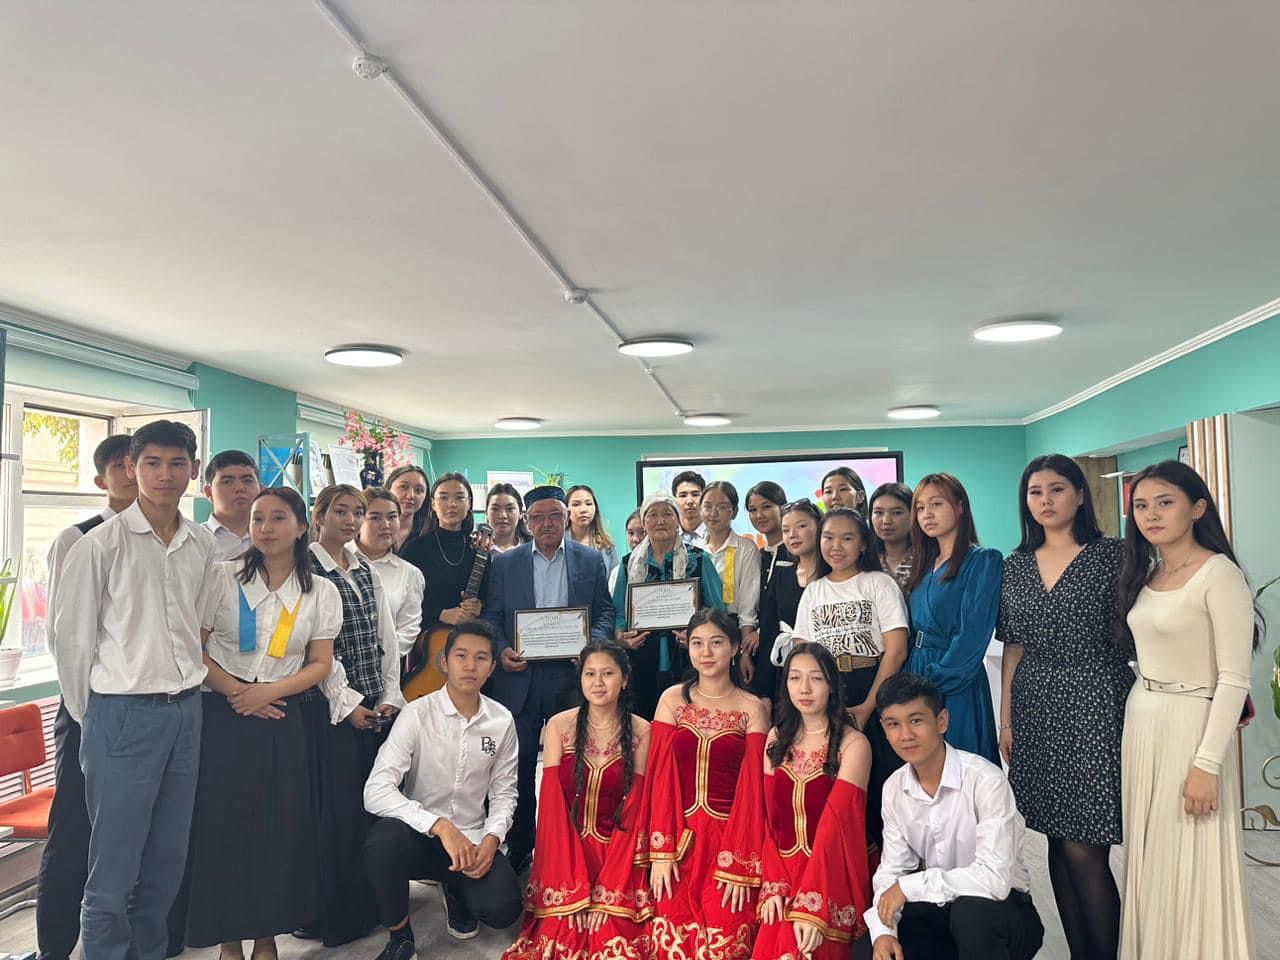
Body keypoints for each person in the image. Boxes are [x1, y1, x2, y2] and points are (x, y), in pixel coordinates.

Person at [52, 420, 218, 960]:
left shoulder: (201, 543)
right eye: (152, 463)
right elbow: (71, 642)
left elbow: (200, 626)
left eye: (177, 464)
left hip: (186, 711)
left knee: (167, 861)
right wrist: (96, 718)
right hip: (120, 714)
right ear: (131, 468)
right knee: (113, 869)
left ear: (194, 471)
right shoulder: (97, 546)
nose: (165, 475)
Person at [184, 487, 338, 957]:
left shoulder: (319, 591)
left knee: (276, 830)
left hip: (281, 715)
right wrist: (238, 693)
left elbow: (321, 663)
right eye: (257, 519)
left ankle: (267, 938)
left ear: (301, 527)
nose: (265, 528)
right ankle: (229, 941)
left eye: (277, 518)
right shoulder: (222, 576)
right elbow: (194, 649)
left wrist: (268, 693)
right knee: (223, 829)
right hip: (222, 716)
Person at [1117, 461, 1259, 959]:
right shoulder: (1148, 572)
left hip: (1190, 724)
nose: (1151, 515)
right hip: (1144, 718)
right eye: (1141, 505)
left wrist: (1207, 764)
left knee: (1191, 856)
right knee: (1152, 857)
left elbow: (1234, 679)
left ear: (1197, 509)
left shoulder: (1220, 575)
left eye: (1165, 502)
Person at [998, 454, 1130, 959]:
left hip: (1096, 700)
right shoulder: (1015, 564)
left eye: (1056, 489)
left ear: (1079, 494)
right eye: (1035, 492)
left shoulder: (1113, 555)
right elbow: (1014, 646)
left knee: (1086, 846)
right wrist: (1007, 718)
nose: (1045, 500)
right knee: (1055, 838)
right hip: (1035, 704)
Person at [363, 620, 522, 957]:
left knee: (503, 909)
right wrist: (439, 825)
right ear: (444, 662)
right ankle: (400, 937)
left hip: (471, 838)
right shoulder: (416, 714)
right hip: (418, 836)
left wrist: (492, 839)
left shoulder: (502, 720)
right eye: (461, 655)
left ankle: (455, 886)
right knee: (383, 841)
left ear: (492, 668)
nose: (470, 665)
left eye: (481, 658)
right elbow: (375, 790)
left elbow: (505, 792)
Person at [38, 434, 136, 960]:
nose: (134, 473)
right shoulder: (79, 537)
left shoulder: (170, 538)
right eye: (122, 466)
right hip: (87, 708)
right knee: (74, 827)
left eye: (140, 463)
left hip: (144, 709)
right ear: (102, 479)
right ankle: (54, 946)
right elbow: (63, 634)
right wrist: (83, 712)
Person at [484, 485, 616, 873]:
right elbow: (492, 617)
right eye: (538, 517)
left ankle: (577, 847)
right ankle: (521, 847)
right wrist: (502, 649)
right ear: (527, 522)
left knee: (576, 767)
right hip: (518, 679)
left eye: (554, 515)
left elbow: (605, 612)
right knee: (519, 766)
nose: (547, 524)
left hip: (570, 678)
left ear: (566, 517)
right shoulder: (505, 564)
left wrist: (590, 645)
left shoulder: (590, 559)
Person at [295, 484, 405, 946]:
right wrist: (347, 705)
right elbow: (317, 648)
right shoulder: (307, 568)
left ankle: (371, 907)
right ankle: (335, 917)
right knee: (335, 817)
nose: (350, 520)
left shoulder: (363, 568)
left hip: (373, 704)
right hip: (329, 711)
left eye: (357, 512)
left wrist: (390, 694)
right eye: (340, 511)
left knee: (368, 810)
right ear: (319, 516)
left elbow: (386, 637)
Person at [867, 674, 1043, 960]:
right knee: (872, 947)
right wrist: (883, 932)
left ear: (942, 722)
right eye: (893, 724)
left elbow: (994, 880)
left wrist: (909, 886)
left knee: (972, 915)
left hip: (1004, 912)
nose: (905, 735)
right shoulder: (894, 788)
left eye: (916, 720)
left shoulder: (985, 780)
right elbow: (892, 870)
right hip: (942, 909)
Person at [502, 641, 653, 960]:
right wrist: (572, 889)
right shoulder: (559, 726)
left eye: (608, 673)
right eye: (590, 674)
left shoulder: (642, 730)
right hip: (566, 854)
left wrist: (609, 890)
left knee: (613, 939)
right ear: (580, 678)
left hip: (618, 856)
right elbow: (552, 810)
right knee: (563, 936)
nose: (598, 682)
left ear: (625, 679)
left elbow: (636, 810)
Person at [645, 609, 770, 960]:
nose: (706, 652)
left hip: (730, 839)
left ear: (734, 647)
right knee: (672, 942)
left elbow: (754, 791)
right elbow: (660, 778)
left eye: (716, 643)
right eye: (697, 643)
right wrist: (662, 851)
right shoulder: (672, 700)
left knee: (725, 941)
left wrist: (740, 862)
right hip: (679, 838)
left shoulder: (752, 708)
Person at [792, 507, 909, 848]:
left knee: (880, 781)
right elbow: (803, 652)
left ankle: (888, 859)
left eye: (847, 538)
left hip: (873, 683)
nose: (836, 546)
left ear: (863, 544)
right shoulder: (814, 591)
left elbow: (896, 650)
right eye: (828, 537)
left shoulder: (878, 583)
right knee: (832, 780)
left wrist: (869, 706)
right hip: (826, 689)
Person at [752, 645, 872, 960]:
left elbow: (837, 827)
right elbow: (770, 820)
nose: (804, 688)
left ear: (831, 685)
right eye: (795, 678)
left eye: (816, 678)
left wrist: (811, 904)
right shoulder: (776, 738)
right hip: (784, 875)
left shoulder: (853, 745)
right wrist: (774, 884)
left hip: (832, 877)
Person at [903, 474, 1001, 764]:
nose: (927, 514)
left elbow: (972, 634)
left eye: (936, 504)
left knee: (959, 765)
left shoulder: (982, 560)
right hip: (916, 669)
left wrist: (935, 681)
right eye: (920, 508)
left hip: (955, 677)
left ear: (960, 507)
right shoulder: (924, 564)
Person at [612, 492, 725, 719]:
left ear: (678, 520)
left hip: (690, 660)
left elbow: (717, 612)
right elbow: (618, 614)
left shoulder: (699, 560)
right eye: (653, 515)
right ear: (644, 522)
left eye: (667, 514)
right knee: (644, 725)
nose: (660, 520)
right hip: (642, 661)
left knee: (690, 722)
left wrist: (698, 634)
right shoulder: (628, 564)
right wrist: (621, 637)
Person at [756, 499, 828, 700]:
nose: (792, 535)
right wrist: (764, 692)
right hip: (789, 670)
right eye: (786, 530)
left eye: (801, 526)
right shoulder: (780, 577)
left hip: (829, 669)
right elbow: (769, 633)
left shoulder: (834, 576)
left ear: (820, 527)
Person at [401, 472, 489, 631]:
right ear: (433, 504)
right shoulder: (415, 549)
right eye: (443, 497)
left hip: (468, 637)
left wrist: (480, 605)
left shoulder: (479, 551)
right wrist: (440, 614)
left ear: (469, 504)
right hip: (426, 638)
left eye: (459, 497)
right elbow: (401, 603)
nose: (452, 504)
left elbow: (490, 600)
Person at [699, 481, 762, 684]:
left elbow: (748, 606)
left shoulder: (745, 548)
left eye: (722, 507)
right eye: (707, 506)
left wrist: (744, 653)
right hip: (700, 633)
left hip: (733, 631)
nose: (713, 513)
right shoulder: (692, 551)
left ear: (733, 512)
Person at [356, 487, 425, 661]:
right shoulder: (338, 562)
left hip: (384, 667)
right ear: (357, 521)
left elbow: (408, 629)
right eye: (375, 517)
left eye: (392, 517)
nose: (385, 525)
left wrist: (378, 658)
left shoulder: (410, 574)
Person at [202, 449, 261, 561]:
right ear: (209, 492)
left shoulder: (274, 536)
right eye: (228, 482)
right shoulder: (194, 540)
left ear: (261, 489)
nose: (240, 488)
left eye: (247, 481)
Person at [868, 483, 915, 593]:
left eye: (896, 513)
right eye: (879, 513)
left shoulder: (927, 560)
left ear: (913, 514)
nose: (886, 521)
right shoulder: (867, 562)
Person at [566, 483, 621, 575]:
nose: (583, 510)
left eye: (588, 504)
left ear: (595, 508)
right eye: (576, 504)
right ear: (566, 510)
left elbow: (614, 579)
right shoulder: (558, 543)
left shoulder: (607, 545)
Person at [745, 480, 789, 592]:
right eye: (753, 510)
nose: (759, 515)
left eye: (766, 507)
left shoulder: (796, 552)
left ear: (782, 507)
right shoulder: (757, 556)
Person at [385, 465, 430, 552]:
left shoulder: (427, 535)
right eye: (403, 487)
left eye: (418, 490)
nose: (411, 496)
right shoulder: (371, 529)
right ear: (388, 489)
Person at [487, 482, 530, 554]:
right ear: (486, 513)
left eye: (510, 509)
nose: (502, 515)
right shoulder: (474, 549)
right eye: (495, 509)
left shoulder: (532, 549)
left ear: (520, 513)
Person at [671, 469, 707, 546]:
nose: (689, 501)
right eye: (683, 495)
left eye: (695, 494)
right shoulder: (667, 535)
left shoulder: (718, 533)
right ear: (675, 500)